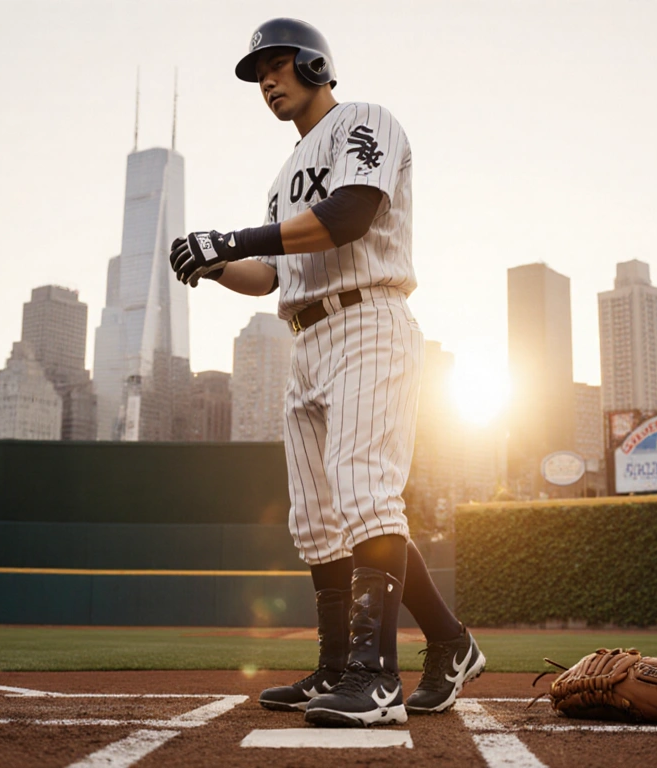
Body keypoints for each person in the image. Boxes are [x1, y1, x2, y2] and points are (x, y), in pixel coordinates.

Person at [169, 18, 485, 728]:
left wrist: (233, 237)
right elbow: (268, 276)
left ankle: (376, 679)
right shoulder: (282, 181)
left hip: (369, 317)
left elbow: (350, 215)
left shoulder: (366, 121)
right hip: (306, 337)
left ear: (314, 64)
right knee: (316, 518)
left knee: (366, 491)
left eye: (276, 66)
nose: (268, 83)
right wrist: (215, 262)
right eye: (258, 76)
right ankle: (354, 663)